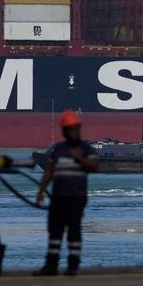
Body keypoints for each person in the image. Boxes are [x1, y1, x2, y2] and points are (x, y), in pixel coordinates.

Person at [34, 110, 100, 276]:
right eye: (70, 129)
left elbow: (94, 167)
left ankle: (73, 266)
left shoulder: (86, 149)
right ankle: (51, 266)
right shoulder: (60, 149)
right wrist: (41, 191)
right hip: (58, 197)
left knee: (73, 231)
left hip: (76, 198)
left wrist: (79, 158)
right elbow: (49, 170)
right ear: (65, 131)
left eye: (75, 129)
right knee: (54, 232)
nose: (74, 132)